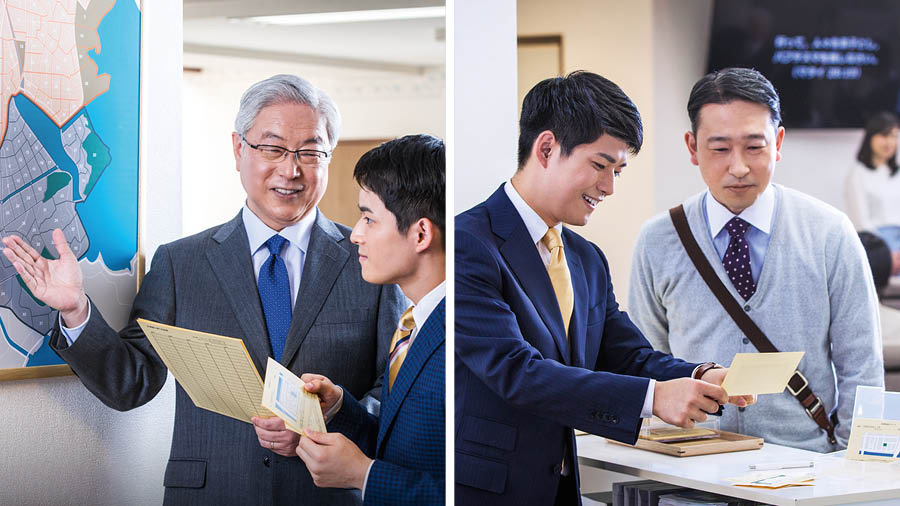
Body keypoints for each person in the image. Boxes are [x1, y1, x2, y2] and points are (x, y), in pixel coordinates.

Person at [1, 74, 405, 505]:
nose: (291, 169)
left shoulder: (370, 261)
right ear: (238, 148)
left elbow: (397, 398)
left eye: (310, 152)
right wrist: (76, 310)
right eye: (272, 148)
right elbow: (130, 383)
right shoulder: (181, 262)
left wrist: (332, 420)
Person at [454, 71, 752, 506]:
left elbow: (627, 354)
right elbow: (516, 371)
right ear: (547, 148)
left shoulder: (585, 257)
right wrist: (654, 399)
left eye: (618, 170)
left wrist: (697, 375)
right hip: (487, 491)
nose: (609, 187)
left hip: (559, 487)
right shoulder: (468, 243)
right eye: (599, 165)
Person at [628, 67, 884, 453]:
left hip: (807, 468)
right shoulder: (658, 240)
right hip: (691, 471)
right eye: (719, 148)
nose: (739, 167)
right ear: (692, 147)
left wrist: (850, 464)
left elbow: (861, 368)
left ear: (778, 142)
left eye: (754, 146)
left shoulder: (830, 233)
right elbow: (644, 361)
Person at [294, 134, 445, 505]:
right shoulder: (413, 323)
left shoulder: (463, 334)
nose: (356, 235)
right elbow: (402, 443)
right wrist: (340, 409)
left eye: (368, 219)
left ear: (421, 233)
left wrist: (364, 474)